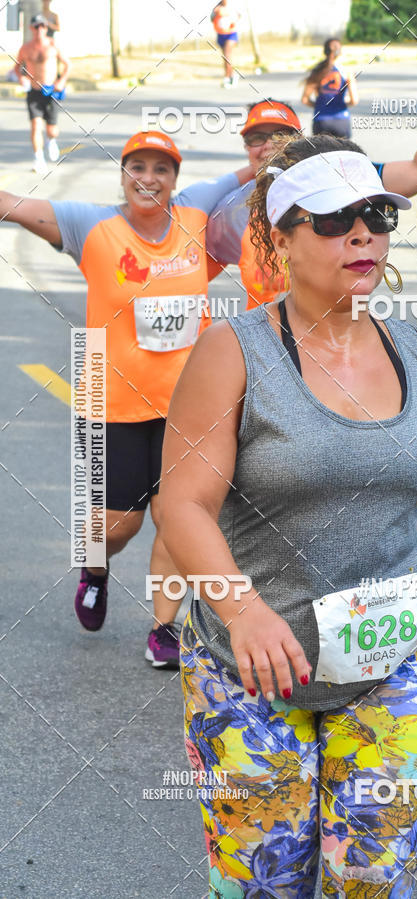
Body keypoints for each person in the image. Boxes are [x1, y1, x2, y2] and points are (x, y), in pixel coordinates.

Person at [160, 133, 417, 895]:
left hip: (392, 662)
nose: (362, 234)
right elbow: (182, 503)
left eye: (377, 215)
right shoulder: (234, 351)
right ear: (281, 238)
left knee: (373, 878)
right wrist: (243, 610)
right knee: (266, 881)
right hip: (251, 671)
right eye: (332, 219)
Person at [0, 130, 253, 667]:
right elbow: (11, 205)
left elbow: (253, 169)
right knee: (115, 526)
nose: (149, 179)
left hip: (189, 403)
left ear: (175, 179)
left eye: (162, 169)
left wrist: (281, 151)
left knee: (179, 517)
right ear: (123, 175)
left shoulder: (195, 209)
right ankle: (95, 569)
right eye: (137, 167)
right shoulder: (89, 225)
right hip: (110, 400)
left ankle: (165, 628)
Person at [206, 45, 417, 309]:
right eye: (256, 138)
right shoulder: (229, 210)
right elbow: (190, 272)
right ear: (246, 147)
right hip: (263, 339)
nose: (268, 145)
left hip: (340, 335)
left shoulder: (337, 177)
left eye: (280, 135)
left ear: (298, 139)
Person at [14, 14, 70, 175]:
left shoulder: (53, 45)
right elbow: (17, 67)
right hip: (34, 92)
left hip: (51, 91)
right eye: (36, 26)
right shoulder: (25, 48)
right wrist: (21, 78)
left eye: (43, 26)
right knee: (35, 125)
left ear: (46, 28)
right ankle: (38, 159)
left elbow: (68, 65)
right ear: (31, 28)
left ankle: (51, 140)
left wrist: (62, 81)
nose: (40, 29)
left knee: (52, 129)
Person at [301, 37, 358, 137]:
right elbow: (354, 101)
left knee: (321, 147)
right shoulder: (346, 72)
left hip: (321, 121)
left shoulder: (317, 72)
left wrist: (320, 105)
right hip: (341, 120)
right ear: (340, 52)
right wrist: (342, 104)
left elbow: (305, 100)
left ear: (325, 52)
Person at [210, 0, 241, 88]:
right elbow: (212, 19)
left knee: (227, 55)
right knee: (226, 57)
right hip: (221, 34)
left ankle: (227, 78)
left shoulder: (232, 6)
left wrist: (232, 18)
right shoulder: (217, 8)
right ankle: (231, 76)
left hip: (231, 34)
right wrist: (215, 13)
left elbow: (239, 16)